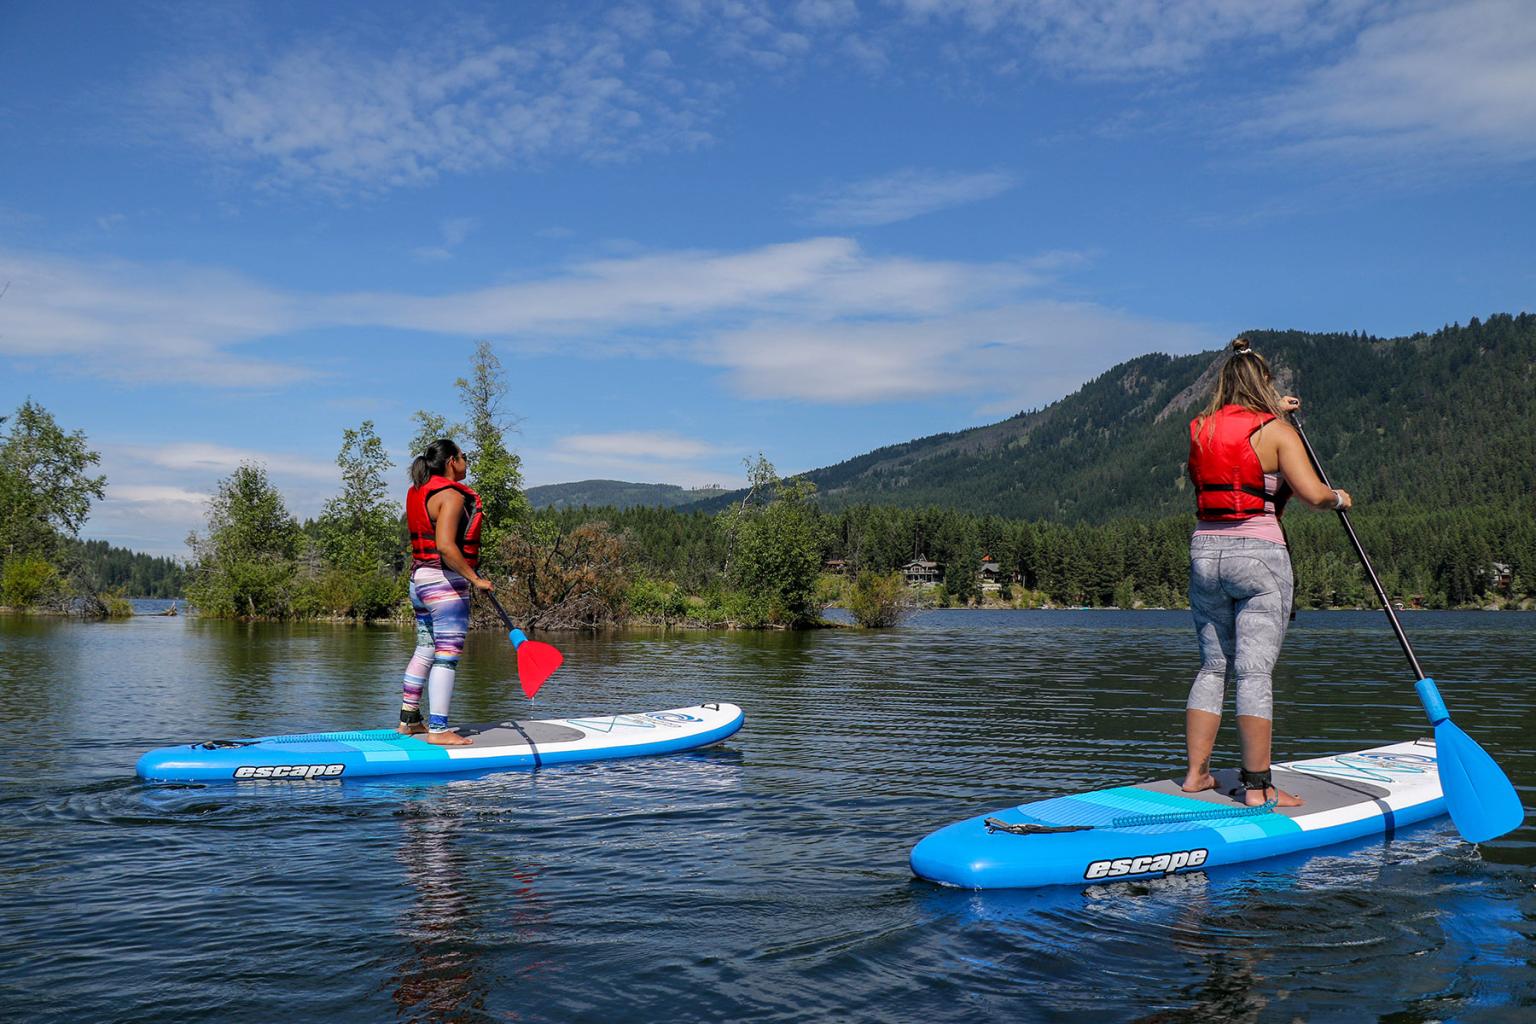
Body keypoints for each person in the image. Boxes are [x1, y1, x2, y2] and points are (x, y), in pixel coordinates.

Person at [1182, 338, 1352, 807]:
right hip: (1259, 555)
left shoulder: (1201, 429)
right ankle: (1258, 788)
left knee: (1213, 666)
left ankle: (1196, 775)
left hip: (1205, 554)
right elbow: (1313, 494)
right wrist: (1339, 497)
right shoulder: (1277, 432)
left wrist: (1271, 406)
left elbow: (1234, 437)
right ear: (1264, 384)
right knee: (1253, 674)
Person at [400, 439, 494, 746]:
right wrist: (475, 579)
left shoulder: (416, 491)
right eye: (465, 457)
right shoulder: (451, 495)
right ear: (452, 460)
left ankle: (409, 721)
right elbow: (445, 546)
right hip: (443, 584)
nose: (467, 462)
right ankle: (439, 731)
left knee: (425, 648)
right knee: (447, 656)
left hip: (418, 581)